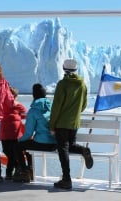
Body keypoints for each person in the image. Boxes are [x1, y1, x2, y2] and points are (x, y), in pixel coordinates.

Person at [49, 59, 93, 190]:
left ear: (63, 68)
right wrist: (74, 113)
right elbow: (84, 105)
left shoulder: (62, 84)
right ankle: (83, 150)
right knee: (71, 145)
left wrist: (52, 126)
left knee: (62, 149)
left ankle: (66, 179)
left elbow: (56, 107)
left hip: (61, 123)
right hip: (74, 123)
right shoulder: (82, 84)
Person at [13, 83, 57, 183]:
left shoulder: (33, 111)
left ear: (34, 95)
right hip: (55, 143)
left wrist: (19, 141)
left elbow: (28, 133)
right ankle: (30, 170)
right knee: (29, 144)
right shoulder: (52, 108)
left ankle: (25, 172)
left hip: (42, 144)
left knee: (18, 146)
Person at [0, 86, 27, 180]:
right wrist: (18, 119)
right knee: (13, 153)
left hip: (5, 134)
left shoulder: (1, 104)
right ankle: (16, 169)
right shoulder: (18, 105)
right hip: (15, 134)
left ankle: (10, 172)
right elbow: (25, 115)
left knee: (8, 152)